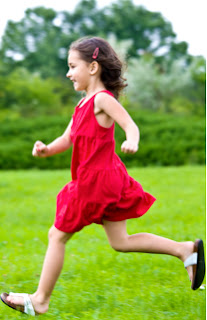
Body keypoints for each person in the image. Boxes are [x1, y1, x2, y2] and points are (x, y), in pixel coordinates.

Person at [1, 37, 205, 316]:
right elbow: (67, 138)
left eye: (73, 66)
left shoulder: (102, 100)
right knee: (120, 242)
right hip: (101, 180)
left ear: (93, 67)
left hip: (96, 181)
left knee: (56, 235)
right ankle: (185, 250)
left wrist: (132, 140)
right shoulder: (82, 104)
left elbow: (129, 125)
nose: (68, 73)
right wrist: (46, 149)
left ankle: (40, 300)